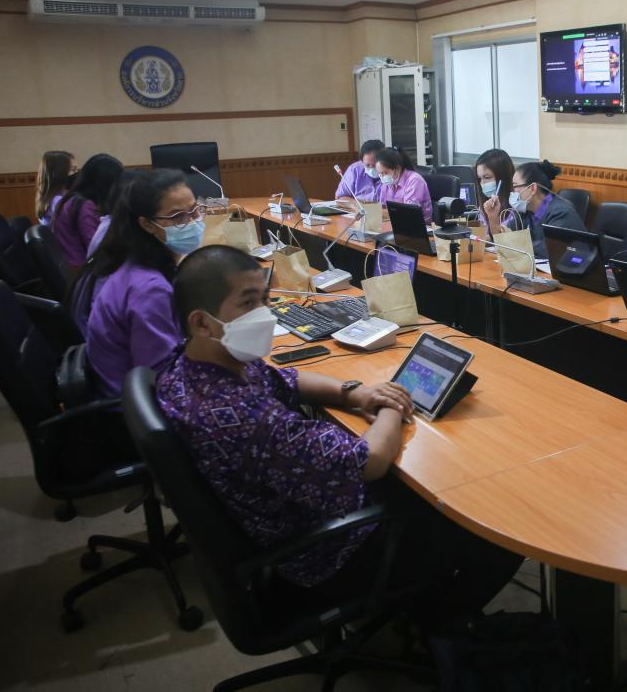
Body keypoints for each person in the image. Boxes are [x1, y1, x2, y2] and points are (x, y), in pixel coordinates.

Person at [158, 245, 522, 622]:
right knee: (499, 529)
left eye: (265, 300)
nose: (264, 315)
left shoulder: (191, 366)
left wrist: (354, 392)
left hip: (293, 514)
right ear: (202, 322)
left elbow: (286, 378)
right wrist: (393, 406)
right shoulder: (241, 416)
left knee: (438, 481)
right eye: (248, 303)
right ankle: (444, 625)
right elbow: (369, 462)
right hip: (328, 552)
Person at [69, 169, 201, 396]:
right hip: (135, 409)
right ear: (147, 224)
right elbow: (165, 380)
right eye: (178, 216)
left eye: (195, 210)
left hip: (129, 391)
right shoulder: (149, 289)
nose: (192, 222)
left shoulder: (131, 261)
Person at [486, 159, 584, 260]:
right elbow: (504, 240)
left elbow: (548, 250)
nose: (512, 192)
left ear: (532, 188)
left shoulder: (561, 212)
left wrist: (514, 244)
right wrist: (493, 218)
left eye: (515, 186)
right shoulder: (524, 210)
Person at [52, 153, 124, 270]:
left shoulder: (72, 199)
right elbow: (97, 250)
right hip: (81, 272)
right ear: (105, 184)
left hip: (75, 268)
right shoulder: (84, 205)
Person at [374, 146, 433, 223]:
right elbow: (382, 207)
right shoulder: (387, 184)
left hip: (419, 225)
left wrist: (383, 213)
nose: (382, 177)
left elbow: (410, 213)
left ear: (397, 168)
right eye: (379, 173)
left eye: (385, 173)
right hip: (395, 222)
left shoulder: (414, 180)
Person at [475, 148, 516, 237]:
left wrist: (493, 219)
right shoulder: (485, 203)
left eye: (487, 177)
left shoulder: (516, 204)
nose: (482, 183)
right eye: (479, 179)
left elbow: (507, 241)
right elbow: (487, 236)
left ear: (503, 177)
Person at [35, 150, 75, 226]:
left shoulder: (49, 198)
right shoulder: (58, 201)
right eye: (73, 170)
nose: (77, 173)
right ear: (59, 174)